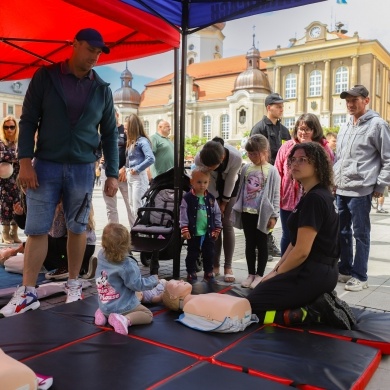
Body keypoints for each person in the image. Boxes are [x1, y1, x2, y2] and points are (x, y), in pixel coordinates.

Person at [0, 28, 119, 318]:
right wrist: (24, 161)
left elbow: (110, 133)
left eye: (99, 51)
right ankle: (28, 292)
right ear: (75, 44)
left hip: (82, 168)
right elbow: (27, 121)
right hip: (46, 165)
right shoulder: (46, 77)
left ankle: (74, 284)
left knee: (78, 227)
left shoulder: (102, 89)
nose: (94, 56)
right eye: (90, 48)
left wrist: (113, 173)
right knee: (37, 228)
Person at [246, 142, 356, 330]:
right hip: (318, 272)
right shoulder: (315, 195)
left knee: (252, 307)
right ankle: (310, 305)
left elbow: (302, 252)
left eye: (303, 160)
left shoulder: (315, 199)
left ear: (317, 165)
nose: (295, 164)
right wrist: (276, 270)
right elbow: (294, 242)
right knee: (257, 295)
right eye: (293, 160)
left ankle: (310, 313)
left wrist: (275, 274)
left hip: (312, 274)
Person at [335, 85, 390, 291]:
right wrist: (334, 179)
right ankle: (346, 269)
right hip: (342, 188)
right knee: (341, 231)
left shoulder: (377, 125)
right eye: (347, 101)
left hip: (362, 189)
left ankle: (360, 276)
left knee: (361, 233)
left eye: (354, 100)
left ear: (366, 100)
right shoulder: (345, 125)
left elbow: (388, 157)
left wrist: (381, 184)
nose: (350, 104)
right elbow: (340, 158)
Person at [275, 114, 334, 255]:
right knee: (288, 235)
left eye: (307, 129)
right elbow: (277, 172)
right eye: (300, 129)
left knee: (309, 237)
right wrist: (277, 197)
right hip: (289, 200)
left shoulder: (322, 149)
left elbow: (328, 172)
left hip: (312, 200)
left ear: (315, 130)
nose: (303, 132)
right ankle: (284, 270)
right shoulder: (287, 147)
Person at [231, 135, 280, 289]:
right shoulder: (246, 168)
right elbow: (241, 190)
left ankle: (259, 274)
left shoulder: (272, 171)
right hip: (247, 212)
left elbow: (276, 194)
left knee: (262, 244)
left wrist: (274, 215)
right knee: (249, 244)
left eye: (255, 153)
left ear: (265, 151)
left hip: (262, 214)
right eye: (249, 153)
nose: (252, 157)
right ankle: (250, 273)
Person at [94, 223, 158, 335]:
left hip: (105, 304)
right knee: (148, 314)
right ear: (127, 243)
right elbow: (136, 285)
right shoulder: (127, 263)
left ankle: (101, 313)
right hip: (122, 307)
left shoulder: (101, 254)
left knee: (108, 300)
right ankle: (124, 320)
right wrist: (153, 280)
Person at [194, 137, 242, 283]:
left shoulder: (235, 157)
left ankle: (228, 266)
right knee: (214, 225)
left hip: (231, 187)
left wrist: (224, 202)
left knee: (226, 224)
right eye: (206, 166)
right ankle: (215, 265)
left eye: (212, 166)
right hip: (211, 187)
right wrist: (214, 202)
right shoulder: (199, 158)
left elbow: (231, 180)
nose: (208, 168)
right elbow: (209, 181)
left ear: (222, 158)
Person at [250, 93, 291, 259]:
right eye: (278, 106)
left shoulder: (283, 130)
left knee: (272, 211)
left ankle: (267, 241)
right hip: (263, 176)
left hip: (279, 178)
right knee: (260, 212)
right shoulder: (259, 128)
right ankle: (261, 246)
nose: (282, 109)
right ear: (269, 107)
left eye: (282, 106)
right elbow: (252, 153)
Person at [180, 167, 222, 282]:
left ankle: (208, 272)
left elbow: (217, 213)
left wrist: (218, 228)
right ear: (192, 182)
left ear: (209, 182)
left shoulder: (211, 199)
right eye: (199, 182)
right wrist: (184, 229)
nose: (202, 185)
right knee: (192, 253)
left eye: (205, 182)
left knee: (209, 253)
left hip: (208, 233)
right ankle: (191, 272)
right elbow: (183, 215)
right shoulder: (187, 198)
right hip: (193, 233)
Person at [100, 106, 132, 227]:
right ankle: (114, 237)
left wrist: (125, 167)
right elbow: (96, 149)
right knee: (110, 207)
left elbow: (132, 151)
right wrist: (100, 157)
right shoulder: (103, 131)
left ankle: (135, 234)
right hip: (106, 172)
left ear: (117, 115)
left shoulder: (125, 130)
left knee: (130, 205)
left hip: (122, 174)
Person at [125, 114, 155, 228]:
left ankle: (142, 230)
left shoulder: (142, 141)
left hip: (138, 176)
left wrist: (137, 169)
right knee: (133, 204)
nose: (125, 131)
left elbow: (151, 158)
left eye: (127, 128)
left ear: (133, 128)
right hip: (131, 176)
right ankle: (137, 229)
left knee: (138, 205)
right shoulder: (133, 141)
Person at [0, 115, 21, 244]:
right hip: (3, 182)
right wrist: (16, 156)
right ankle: (5, 233)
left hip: (17, 181)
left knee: (17, 206)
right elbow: (3, 155)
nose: (9, 129)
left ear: (15, 128)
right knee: (5, 207)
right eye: (6, 127)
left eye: (12, 127)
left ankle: (14, 233)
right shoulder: (1, 142)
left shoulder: (19, 143)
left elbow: (25, 156)